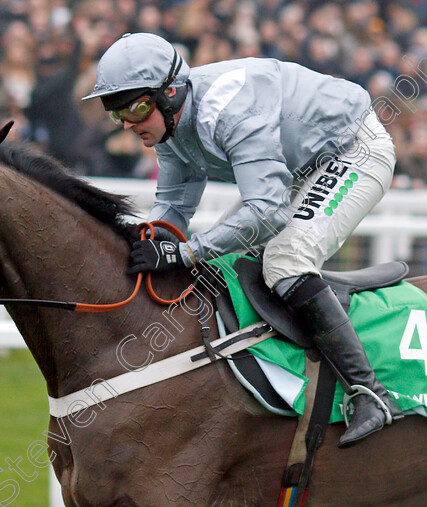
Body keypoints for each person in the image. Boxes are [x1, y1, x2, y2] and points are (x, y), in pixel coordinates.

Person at [83, 32, 402, 448]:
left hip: (352, 150)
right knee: (222, 265)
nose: (128, 124)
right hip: (297, 166)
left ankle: (369, 394)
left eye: (137, 108)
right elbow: (174, 209)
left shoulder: (229, 111)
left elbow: (266, 212)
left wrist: (184, 251)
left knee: (285, 261)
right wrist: (138, 247)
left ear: (171, 93)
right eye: (115, 113)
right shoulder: (169, 127)